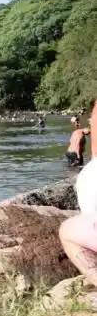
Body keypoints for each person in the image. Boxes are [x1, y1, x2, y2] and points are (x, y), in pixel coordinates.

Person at [60, 99, 97, 294]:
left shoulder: (76, 133)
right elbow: (84, 148)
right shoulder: (81, 133)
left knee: (67, 230)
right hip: (75, 155)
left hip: (71, 154)